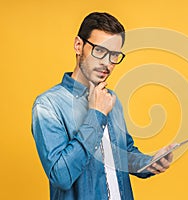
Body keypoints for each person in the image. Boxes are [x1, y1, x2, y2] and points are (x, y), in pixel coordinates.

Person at [31, 12, 174, 200]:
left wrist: (150, 163)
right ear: (78, 45)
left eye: (114, 55)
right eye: (99, 50)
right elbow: (61, 176)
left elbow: (123, 156)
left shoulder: (110, 99)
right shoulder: (48, 105)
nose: (107, 63)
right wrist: (96, 115)